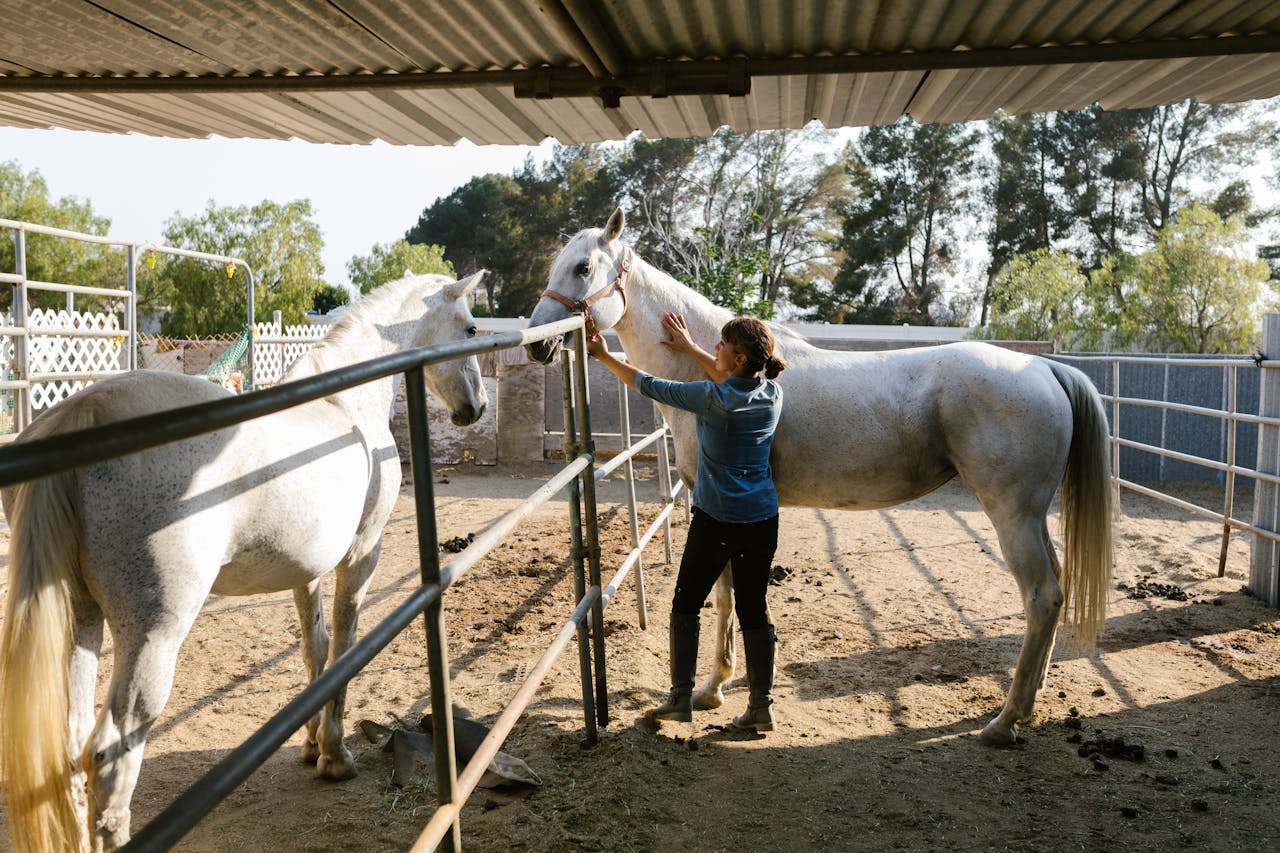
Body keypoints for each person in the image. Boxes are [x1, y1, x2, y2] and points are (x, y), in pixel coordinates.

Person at [584, 311, 786, 732]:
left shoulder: (712, 399)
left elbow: (647, 384)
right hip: (763, 519)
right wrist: (690, 345)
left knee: (686, 602)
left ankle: (679, 699)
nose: (716, 350)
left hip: (717, 520)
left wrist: (604, 355)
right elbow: (726, 374)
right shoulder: (772, 394)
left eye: (722, 346)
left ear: (740, 359)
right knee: (754, 609)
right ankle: (760, 708)